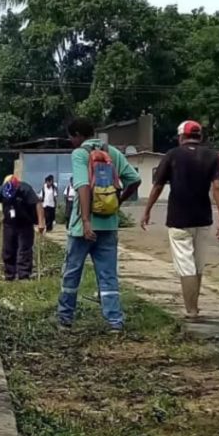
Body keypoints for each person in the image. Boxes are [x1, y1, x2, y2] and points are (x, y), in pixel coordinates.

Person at [57, 117, 140, 332]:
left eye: (70, 137)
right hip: (109, 225)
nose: (70, 141)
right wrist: (117, 203)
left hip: (81, 228)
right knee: (108, 275)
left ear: (77, 135)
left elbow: (83, 186)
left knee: (72, 271)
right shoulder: (111, 152)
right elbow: (134, 180)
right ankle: (115, 322)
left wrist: (85, 221)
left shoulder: (79, 154)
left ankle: (65, 318)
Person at [140, 119, 219, 318]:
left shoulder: (172, 155)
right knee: (198, 263)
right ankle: (194, 306)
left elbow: (158, 185)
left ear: (181, 137)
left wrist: (147, 211)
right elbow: (218, 187)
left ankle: (192, 310)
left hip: (179, 219)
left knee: (186, 265)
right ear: (200, 136)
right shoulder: (212, 156)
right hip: (203, 218)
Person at [0, 173, 45, 281]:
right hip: (9, 224)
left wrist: (41, 223)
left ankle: (23, 275)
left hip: (25, 223)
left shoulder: (25, 189)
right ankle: (9, 274)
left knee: (24, 249)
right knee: (8, 249)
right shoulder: (1, 191)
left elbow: (38, 204)